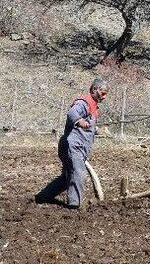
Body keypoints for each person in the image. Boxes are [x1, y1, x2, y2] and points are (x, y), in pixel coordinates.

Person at [35, 78, 109, 208]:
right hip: (72, 146)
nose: (104, 97)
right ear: (94, 89)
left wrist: (96, 130)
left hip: (76, 146)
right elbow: (72, 113)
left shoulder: (92, 106)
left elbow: (88, 126)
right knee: (78, 172)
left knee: (68, 177)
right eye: (102, 93)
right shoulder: (83, 102)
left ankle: (43, 196)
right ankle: (74, 205)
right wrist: (79, 121)